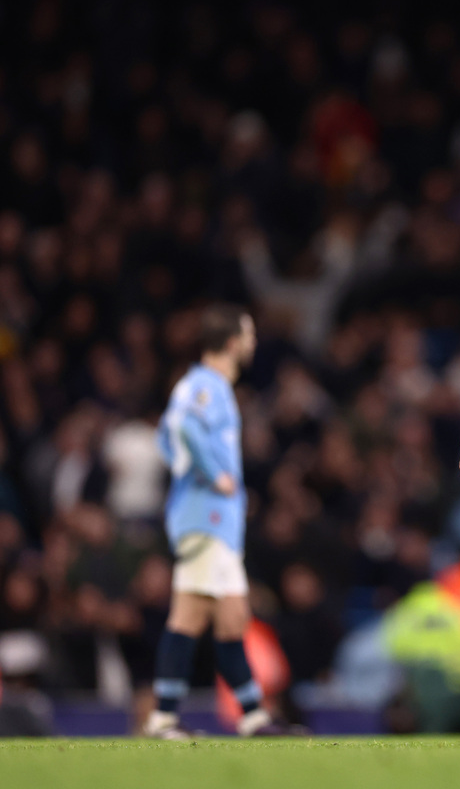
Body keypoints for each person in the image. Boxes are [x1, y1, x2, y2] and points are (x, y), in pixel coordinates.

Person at [144, 305, 299, 738]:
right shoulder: (204, 387)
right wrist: (218, 477)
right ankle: (163, 719)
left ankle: (251, 717)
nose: (253, 341)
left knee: (233, 619)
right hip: (205, 519)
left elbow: (168, 435)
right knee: (188, 617)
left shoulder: (211, 387)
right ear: (231, 342)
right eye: (248, 334)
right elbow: (180, 429)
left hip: (215, 525)